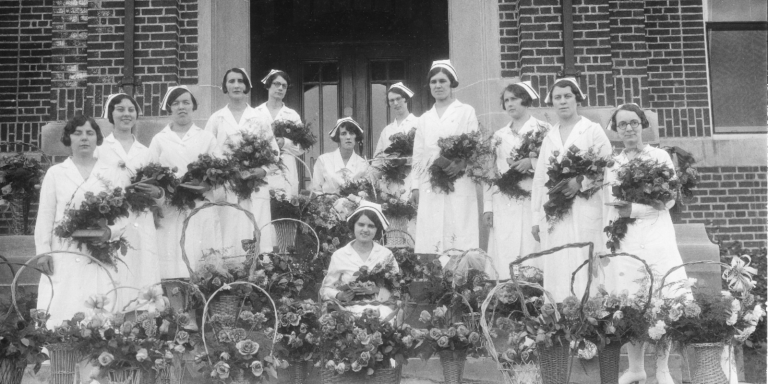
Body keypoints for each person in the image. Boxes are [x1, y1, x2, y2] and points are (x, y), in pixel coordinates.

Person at [603, 103, 689, 384]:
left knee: (662, 299)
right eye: (622, 124)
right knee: (629, 301)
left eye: (633, 123)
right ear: (616, 130)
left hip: (656, 236)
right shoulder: (614, 164)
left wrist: (636, 209)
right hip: (626, 238)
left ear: (642, 125)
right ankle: (636, 367)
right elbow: (611, 206)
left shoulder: (660, 157)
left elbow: (669, 199)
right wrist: (607, 245)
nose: (628, 128)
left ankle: (662, 369)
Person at [34, 115, 127, 327]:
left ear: (97, 139)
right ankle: (59, 355)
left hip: (100, 251)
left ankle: (99, 354)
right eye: (77, 133)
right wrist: (43, 252)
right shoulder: (56, 173)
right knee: (62, 302)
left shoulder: (111, 172)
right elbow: (45, 215)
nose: (84, 138)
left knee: (100, 304)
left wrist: (109, 233)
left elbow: (124, 216)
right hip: (64, 252)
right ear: (68, 138)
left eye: (89, 133)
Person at [530, 78, 612, 302]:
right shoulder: (549, 137)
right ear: (552, 103)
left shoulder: (592, 130)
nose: (563, 101)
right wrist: (536, 218)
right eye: (557, 97)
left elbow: (607, 166)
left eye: (567, 96)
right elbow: (540, 179)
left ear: (577, 98)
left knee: (583, 257)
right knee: (558, 258)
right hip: (557, 211)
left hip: (586, 206)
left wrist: (580, 181)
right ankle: (558, 312)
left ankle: (590, 312)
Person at [96, 93, 163, 309]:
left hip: (141, 219)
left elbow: (160, 190)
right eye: (120, 109)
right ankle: (114, 320)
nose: (126, 114)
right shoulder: (100, 150)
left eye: (131, 109)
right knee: (116, 266)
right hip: (113, 220)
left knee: (143, 266)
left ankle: (146, 319)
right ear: (110, 114)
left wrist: (154, 192)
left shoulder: (146, 152)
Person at [410, 60, 480, 255]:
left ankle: (463, 279)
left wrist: (461, 164)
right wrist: (415, 185)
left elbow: (475, 146)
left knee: (458, 226)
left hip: (459, 180)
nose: (438, 86)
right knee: (431, 230)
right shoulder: (425, 118)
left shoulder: (466, 111)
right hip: (429, 182)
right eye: (433, 82)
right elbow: (418, 155)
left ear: (452, 83)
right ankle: (433, 278)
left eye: (442, 81)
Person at [205, 68, 277, 254]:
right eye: (231, 81)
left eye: (240, 81)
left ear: (247, 86)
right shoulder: (216, 119)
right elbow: (206, 154)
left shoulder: (260, 118)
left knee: (257, 233)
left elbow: (274, 153)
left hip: (255, 186)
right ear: (225, 87)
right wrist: (221, 172)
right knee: (229, 237)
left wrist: (261, 170)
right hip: (227, 186)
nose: (236, 85)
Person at [483, 82, 548, 279]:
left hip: (532, 197)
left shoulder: (544, 130)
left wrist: (532, 161)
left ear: (526, 99)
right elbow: (490, 173)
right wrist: (488, 206)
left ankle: (534, 294)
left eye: (514, 99)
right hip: (504, 201)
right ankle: (505, 293)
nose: (510, 104)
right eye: (506, 100)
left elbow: (554, 164)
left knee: (532, 245)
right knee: (506, 247)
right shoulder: (498, 136)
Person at [319, 201, 399, 319]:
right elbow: (325, 289)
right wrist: (340, 295)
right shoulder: (340, 255)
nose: (365, 230)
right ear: (353, 225)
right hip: (349, 312)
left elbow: (396, 290)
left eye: (371, 226)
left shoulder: (386, 255)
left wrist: (376, 290)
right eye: (361, 224)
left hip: (382, 312)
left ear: (377, 229)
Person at [256, 69, 304, 197]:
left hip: (286, 169)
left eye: (284, 86)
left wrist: (285, 142)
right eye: (276, 84)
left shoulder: (292, 115)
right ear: (268, 86)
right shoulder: (256, 113)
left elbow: (302, 147)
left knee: (285, 205)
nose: (280, 88)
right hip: (263, 167)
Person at [373, 82, 418, 200]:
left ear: (406, 99)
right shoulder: (387, 131)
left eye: (398, 99)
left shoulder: (419, 123)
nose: (396, 103)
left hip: (414, 182)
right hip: (391, 185)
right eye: (391, 100)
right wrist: (367, 182)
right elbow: (377, 161)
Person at [311, 117, 369, 194]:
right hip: (328, 204)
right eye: (343, 134)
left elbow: (367, 192)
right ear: (338, 137)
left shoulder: (363, 164)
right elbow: (316, 190)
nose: (348, 137)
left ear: (356, 137)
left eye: (351, 133)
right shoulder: (323, 160)